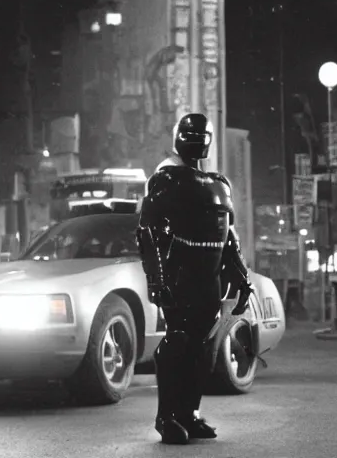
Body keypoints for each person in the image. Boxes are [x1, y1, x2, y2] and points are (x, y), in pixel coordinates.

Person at [136, 113, 253, 445]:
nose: (196, 140)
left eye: (201, 135)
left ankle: (189, 414)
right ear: (177, 137)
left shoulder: (219, 183)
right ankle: (167, 417)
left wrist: (242, 276)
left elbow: (228, 237)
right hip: (182, 273)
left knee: (204, 347)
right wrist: (157, 278)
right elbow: (148, 230)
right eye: (190, 134)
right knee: (179, 342)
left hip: (209, 275)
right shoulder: (166, 179)